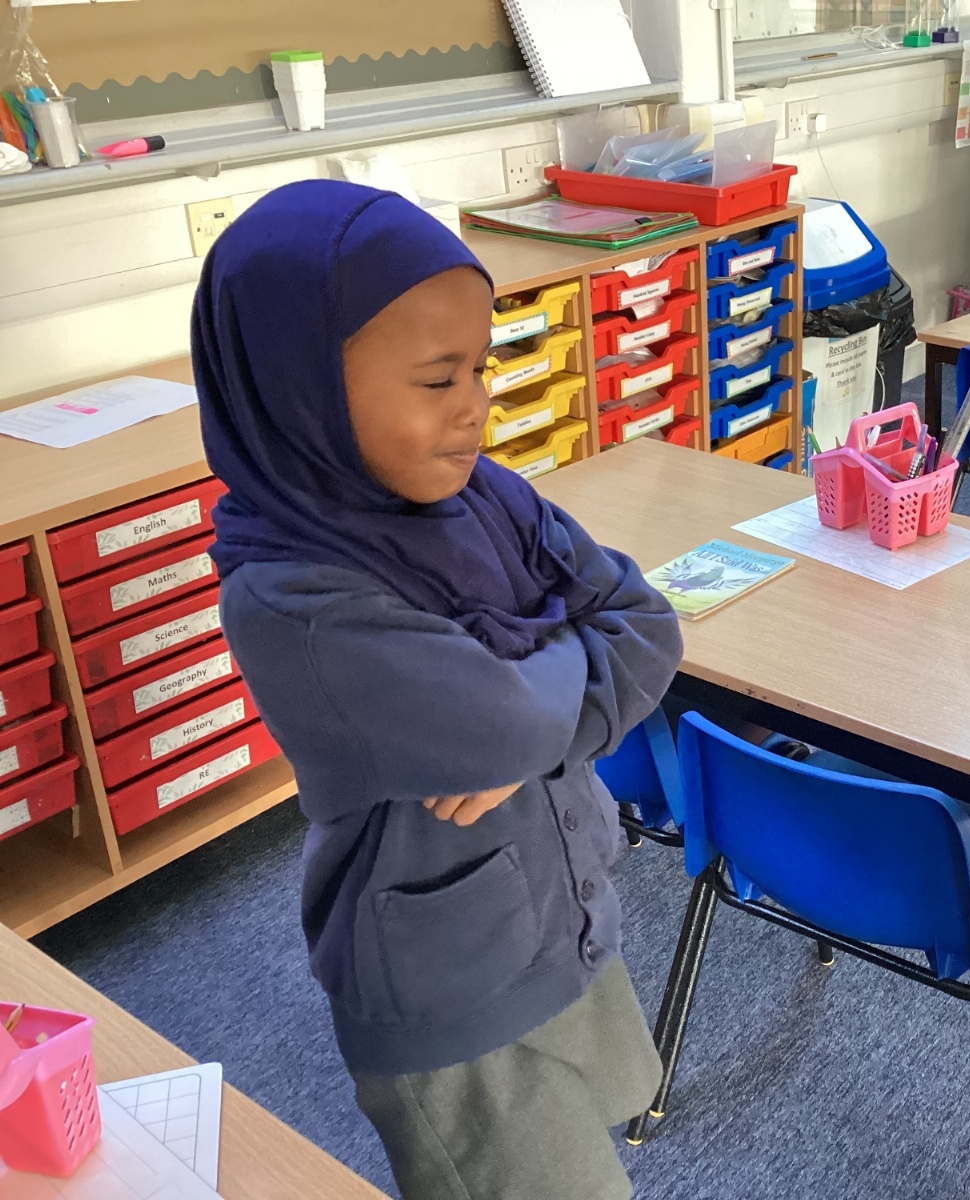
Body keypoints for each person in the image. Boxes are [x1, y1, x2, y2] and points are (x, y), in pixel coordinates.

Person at [192, 179, 683, 1200]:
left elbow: (649, 623)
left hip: (559, 906)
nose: (476, 405)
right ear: (298, 390)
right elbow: (515, 717)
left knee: (597, 1124)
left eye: (481, 366)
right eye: (435, 379)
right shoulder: (291, 595)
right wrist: (551, 681)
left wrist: (532, 719)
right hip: (451, 992)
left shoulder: (482, 492)